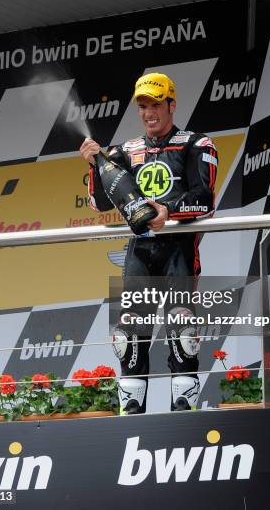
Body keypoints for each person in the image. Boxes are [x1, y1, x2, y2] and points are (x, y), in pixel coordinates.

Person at [80, 73, 218, 414]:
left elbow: (205, 199)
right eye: (143, 106)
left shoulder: (196, 144)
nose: (148, 113)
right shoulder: (125, 150)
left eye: (156, 104)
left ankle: (183, 418)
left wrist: (166, 210)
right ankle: (132, 419)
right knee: (128, 336)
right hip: (139, 251)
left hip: (179, 250)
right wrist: (95, 164)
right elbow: (101, 204)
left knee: (183, 333)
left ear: (171, 104)